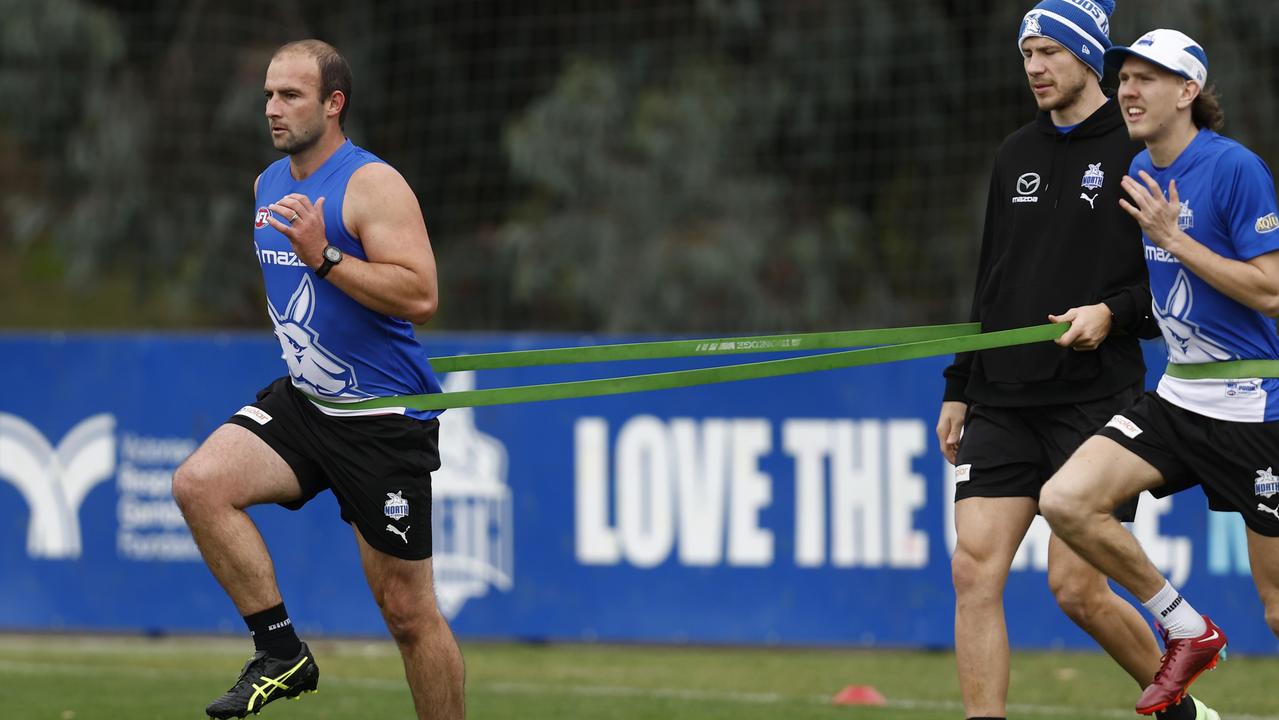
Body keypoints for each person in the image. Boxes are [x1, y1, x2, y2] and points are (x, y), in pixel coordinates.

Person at [936, 3, 1218, 719]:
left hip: (1094, 399)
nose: (1033, 67)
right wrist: (958, 386)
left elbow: (1173, 285)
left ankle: (1183, 711)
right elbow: (990, 282)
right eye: (1026, 53)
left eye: (1049, 53)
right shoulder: (1012, 154)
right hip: (1001, 398)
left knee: (1077, 590)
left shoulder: (1140, 150)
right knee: (972, 570)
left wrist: (1111, 314)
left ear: (1087, 58)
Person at [171, 39, 465, 720]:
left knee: (407, 612)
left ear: (334, 104)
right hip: (308, 403)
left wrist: (325, 255)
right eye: (269, 95)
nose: (273, 109)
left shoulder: (371, 184)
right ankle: (280, 653)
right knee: (199, 484)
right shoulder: (267, 184)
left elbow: (420, 295)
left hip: (382, 421)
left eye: (291, 96)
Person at [1041, 27, 1279, 716]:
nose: (1127, 89)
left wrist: (1173, 239)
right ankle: (1185, 628)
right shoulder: (1138, 171)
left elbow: (1269, 291)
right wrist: (1107, 312)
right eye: (1123, 77)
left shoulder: (1233, 168)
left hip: (1252, 406)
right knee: (1065, 501)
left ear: (1188, 91)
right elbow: (1163, 291)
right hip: (1177, 395)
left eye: (1147, 77)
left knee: (1275, 610)